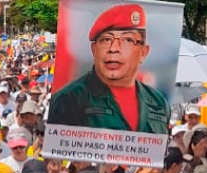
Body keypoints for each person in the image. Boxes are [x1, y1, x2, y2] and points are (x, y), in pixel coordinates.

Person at [47, 3, 169, 134]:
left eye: (127, 40)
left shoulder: (159, 102)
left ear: (143, 52)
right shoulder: (69, 99)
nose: (113, 49)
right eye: (106, 40)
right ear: (94, 50)